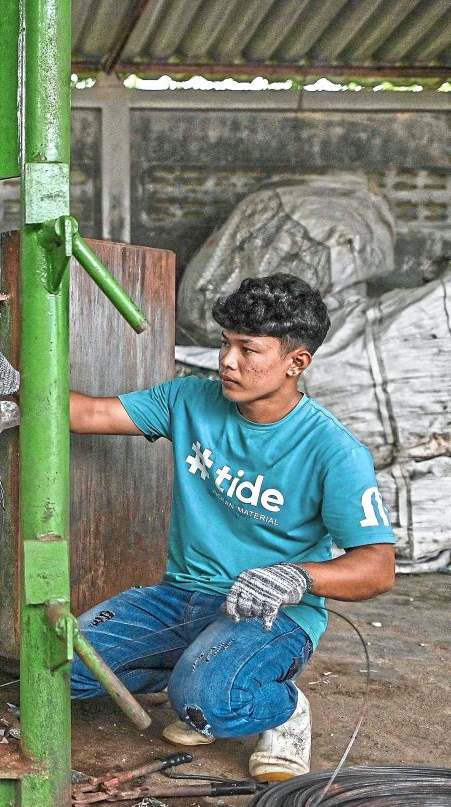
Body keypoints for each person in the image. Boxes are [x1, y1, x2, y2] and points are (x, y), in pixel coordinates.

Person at [67, 273, 396, 781]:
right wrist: (16, 383)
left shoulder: (334, 451)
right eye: (225, 344)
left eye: (249, 349)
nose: (227, 360)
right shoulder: (189, 400)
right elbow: (87, 412)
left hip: (272, 616)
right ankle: (199, 679)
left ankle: (282, 707)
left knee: (213, 703)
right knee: (62, 667)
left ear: (296, 362)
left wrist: (297, 578)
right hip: (182, 597)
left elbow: (377, 568)